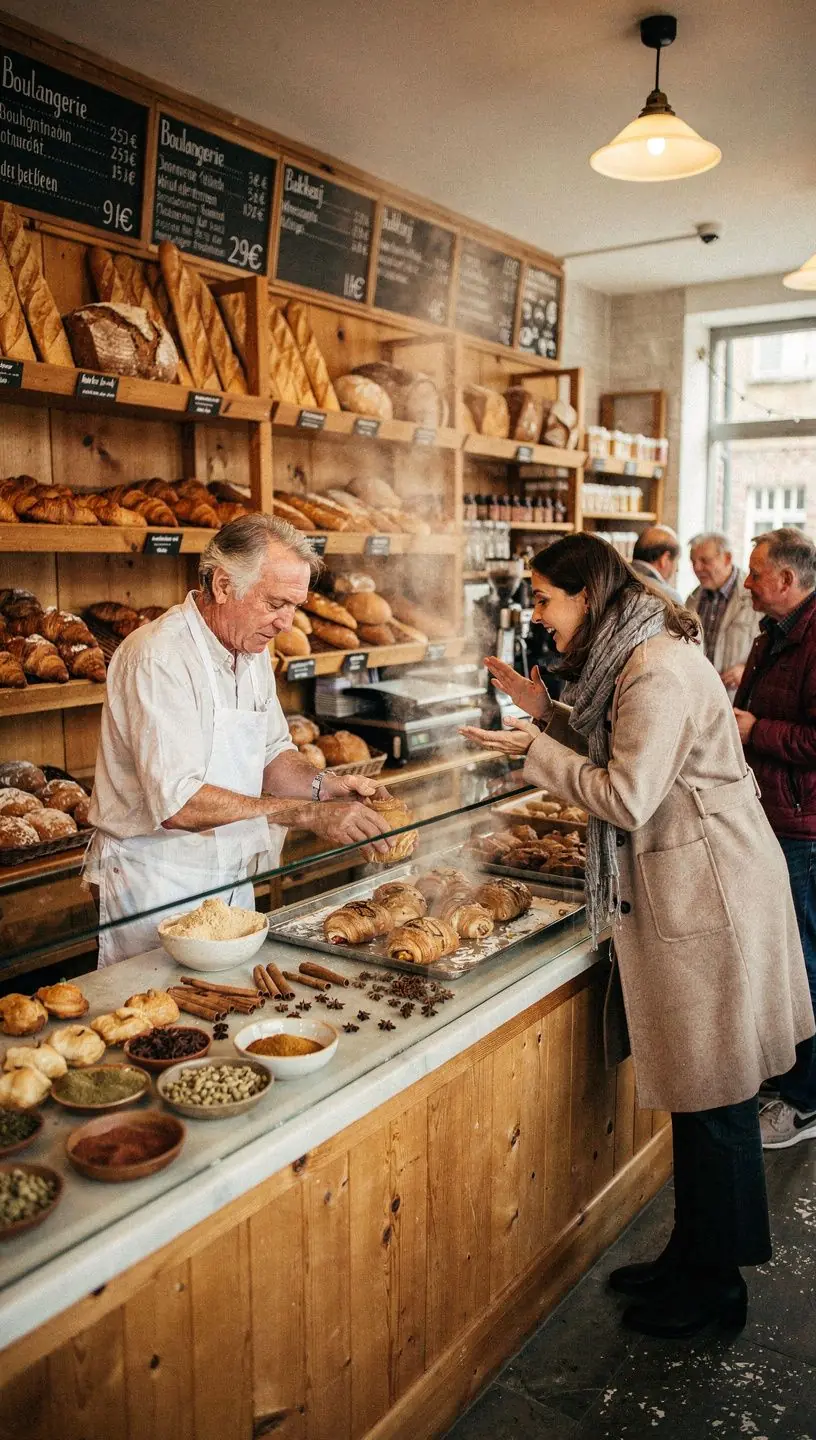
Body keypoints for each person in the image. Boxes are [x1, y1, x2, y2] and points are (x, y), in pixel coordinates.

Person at [460, 532, 813, 1341]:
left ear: (587, 595)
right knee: (700, 1096)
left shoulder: (651, 668)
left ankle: (717, 1289)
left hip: (706, 890)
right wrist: (547, 711)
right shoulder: (635, 656)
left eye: (545, 601)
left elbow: (626, 795)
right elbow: (628, 751)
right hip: (698, 876)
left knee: (717, 1098)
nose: (540, 619)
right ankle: (689, 1256)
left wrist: (536, 749)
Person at [85, 514, 391, 967]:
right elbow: (178, 805)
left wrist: (324, 787)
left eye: (295, 606)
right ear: (224, 585)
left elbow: (271, 752)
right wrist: (308, 813)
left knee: (226, 1014)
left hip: (231, 874)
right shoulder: (159, 656)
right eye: (275, 604)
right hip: (158, 881)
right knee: (164, 1022)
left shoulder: (251, 651)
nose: (287, 622)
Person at [734, 528, 816, 1149]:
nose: (747, 581)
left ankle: (805, 1102)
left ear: (786, 580)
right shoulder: (774, 634)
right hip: (770, 818)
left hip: (802, 829)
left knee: (807, 965)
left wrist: (756, 727)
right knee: (784, 961)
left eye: (757, 572)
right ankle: (788, 1078)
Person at [686, 531, 759, 699]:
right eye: (693, 562)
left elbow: (770, 651)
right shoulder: (691, 600)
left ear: (727, 558)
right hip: (700, 696)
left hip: (736, 697)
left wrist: (747, 670)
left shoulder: (754, 596)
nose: (697, 568)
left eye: (704, 561)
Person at [630, 525, 683, 604]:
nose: (677, 569)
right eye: (676, 562)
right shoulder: (669, 597)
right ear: (664, 559)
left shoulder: (611, 581)